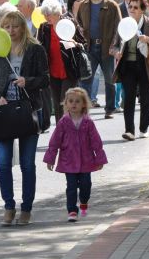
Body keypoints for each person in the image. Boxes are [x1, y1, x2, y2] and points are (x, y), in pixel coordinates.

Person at [0, 11, 49, 227]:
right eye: (6, 27)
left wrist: (27, 81)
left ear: (22, 27)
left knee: (27, 164)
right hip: (4, 111)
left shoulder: (35, 49)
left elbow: (45, 78)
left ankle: (26, 208)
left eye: (15, 27)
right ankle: (8, 206)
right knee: (3, 161)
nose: (10, 31)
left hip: (28, 110)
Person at [43, 87, 107, 222]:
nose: (73, 104)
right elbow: (55, 141)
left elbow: (96, 141)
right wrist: (50, 159)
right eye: (70, 101)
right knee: (71, 187)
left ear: (84, 104)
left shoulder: (88, 122)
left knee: (86, 185)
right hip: (68, 161)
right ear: (65, 104)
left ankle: (84, 201)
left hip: (86, 161)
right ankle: (72, 210)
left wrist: (99, 158)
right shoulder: (63, 122)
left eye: (77, 101)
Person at [113, 0, 149, 141]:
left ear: (142, 9)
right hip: (128, 65)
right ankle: (129, 130)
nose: (132, 9)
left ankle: (144, 128)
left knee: (146, 98)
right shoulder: (124, 23)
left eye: (135, 7)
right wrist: (116, 53)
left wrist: (148, 39)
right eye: (130, 6)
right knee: (128, 98)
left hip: (145, 65)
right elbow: (114, 45)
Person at [76, 0, 121, 119]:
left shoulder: (112, 5)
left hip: (106, 48)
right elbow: (78, 24)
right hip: (89, 48)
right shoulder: (83, 5)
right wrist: (81, 36)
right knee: (86, 79)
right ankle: (84, 111)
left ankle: (109, 109)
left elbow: (118, 28)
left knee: (109, 80)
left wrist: (114, 46)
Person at [37, 0, 85, 122]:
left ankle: (70, 130)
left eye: (49, 14)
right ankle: (61, 131)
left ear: (58, 13)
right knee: (57, 103)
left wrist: (75, 43)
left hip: (69, 70)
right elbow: (40, 47)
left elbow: (83, 43)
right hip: (52, 71)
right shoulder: (44, 28)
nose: (47, 17)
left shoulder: (69, 23)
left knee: (66, 102)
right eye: (45, 14)